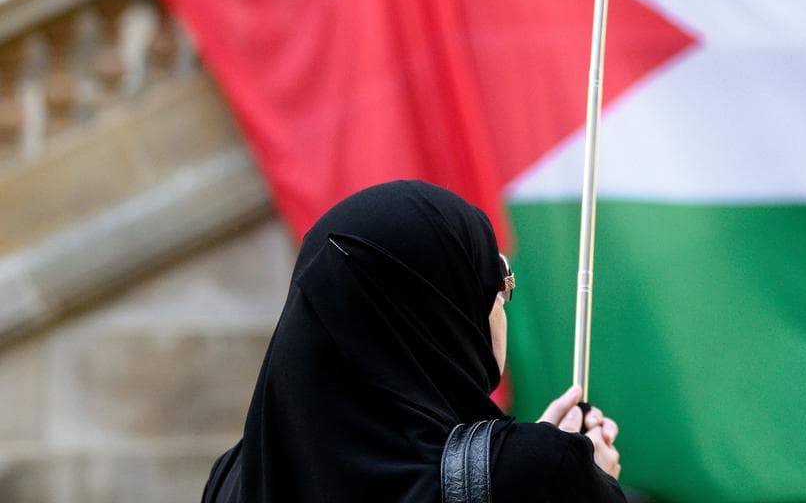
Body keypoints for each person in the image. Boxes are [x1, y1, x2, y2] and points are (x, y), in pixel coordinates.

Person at [202, 180, 624, 502]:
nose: (501, 302)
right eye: (496, 282)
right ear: (446, 315)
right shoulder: (541, 474)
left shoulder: (234, 475)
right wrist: (584, 482)